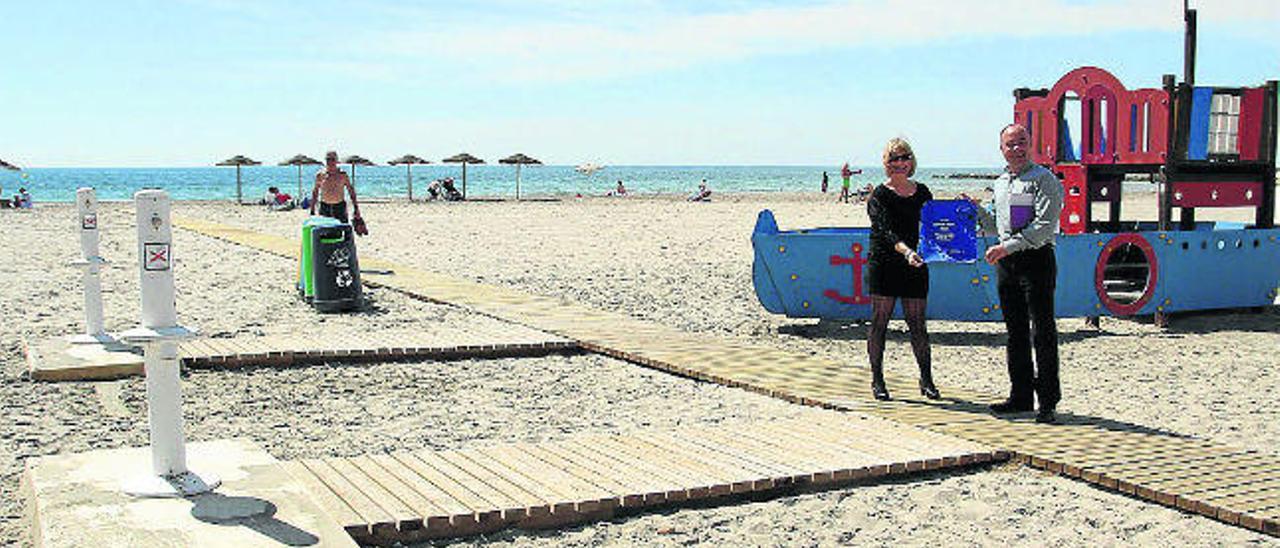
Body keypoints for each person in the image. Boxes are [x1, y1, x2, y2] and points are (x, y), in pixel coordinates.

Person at [970, 124, 1064, 424]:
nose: (1017, 149)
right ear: (1002, 149)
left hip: (1036, 260)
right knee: (1016, 333)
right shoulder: (999, 183)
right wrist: (974, 211)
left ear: (1031, 144)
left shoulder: (1043, 179)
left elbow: (1044, 226)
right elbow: (996, 225)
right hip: (1007, 264)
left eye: (1021, 142)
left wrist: (1008, 247)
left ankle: (1047, 401)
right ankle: (1020, 396)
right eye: (1010, 144)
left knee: (1043, 332)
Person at [864, 138, 938, 402]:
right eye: (893, 159)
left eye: (904, 157)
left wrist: (965, 210)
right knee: (879, 323)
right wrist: (905, 251)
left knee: (917, 324)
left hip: (915, 262)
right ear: (886, 163)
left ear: (911, 161)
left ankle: (926, 379)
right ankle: (877, 380)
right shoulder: (879, 196)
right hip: (886, 262)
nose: (899, 163)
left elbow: (936, 225)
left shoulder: (923, 192)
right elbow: (884, 231)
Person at [310, 151, 361, 224]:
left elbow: (351, 191)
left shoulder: (342, 175)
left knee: (342, 230)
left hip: (340, 208)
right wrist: (312, 210)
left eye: (332, 159)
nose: (330, 162)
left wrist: (356, 208)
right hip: (325, 207)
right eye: (328, 159)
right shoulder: (320, 175)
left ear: (337, 161)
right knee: (325, 232)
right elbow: (315, 192)